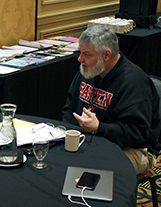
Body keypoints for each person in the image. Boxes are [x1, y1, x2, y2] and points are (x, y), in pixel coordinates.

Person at [62, 25, 161, 176]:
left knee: (89, 169)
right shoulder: (88, 71)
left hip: (136, 149)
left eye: (86, 54)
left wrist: (99, 128)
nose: (80, 59)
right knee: (58, 158)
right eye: (80, 52)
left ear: (106, 55)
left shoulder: (135, 82)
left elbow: (138, 134)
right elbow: (69, 109)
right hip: (93, 140)